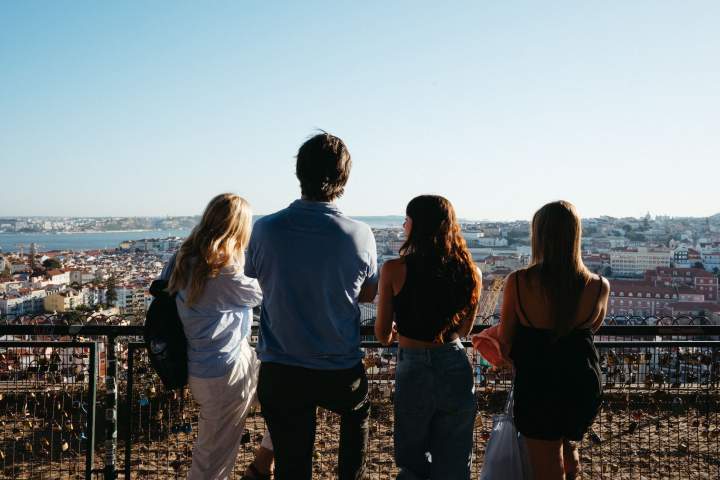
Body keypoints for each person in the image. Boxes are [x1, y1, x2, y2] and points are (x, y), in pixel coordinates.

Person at [245, 132, 378, 480]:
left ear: (299, 173)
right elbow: (367, 294)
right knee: (358, 412)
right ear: (343, 178)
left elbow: (256, 276)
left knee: (292, 465)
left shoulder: (265, 229)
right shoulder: (360, 234)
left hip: (281, 366)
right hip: (339, 365)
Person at [162, 193, 273, 480]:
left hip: (201, 366)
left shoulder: (179, 259)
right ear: (239, 228)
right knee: (212, 464)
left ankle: (262, 465)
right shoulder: (225, 271)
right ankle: (261, 466)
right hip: (227, 373)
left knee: (289, 397)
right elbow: (266, 292)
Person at [497, 201, 609, 480]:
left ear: (539, 235)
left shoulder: (519, 282)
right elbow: (589, 330)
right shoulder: (598, 286)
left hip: (539, 382)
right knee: (570, 449)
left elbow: (506, 339)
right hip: (582, 381)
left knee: (546, 462)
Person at [375, 195, 482, 480]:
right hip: (455, 362)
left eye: (406, 219)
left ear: (417, 225)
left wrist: (399, 330)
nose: (403, 225)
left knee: (413, 459)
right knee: (456, 458)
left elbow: (383, 335)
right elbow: (464, 332)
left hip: (414, 364)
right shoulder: (471, 272)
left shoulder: (394, 270)